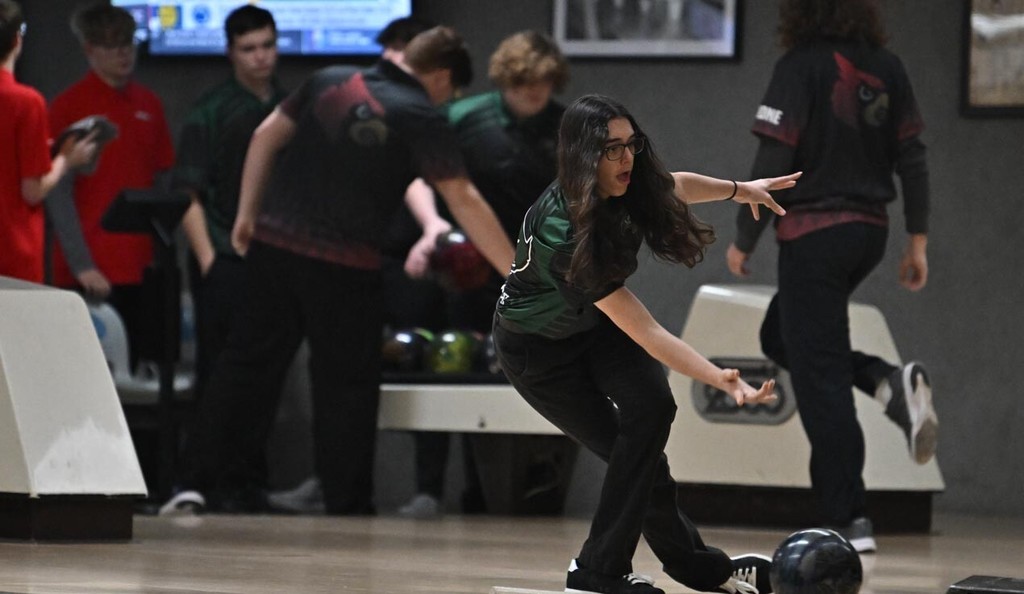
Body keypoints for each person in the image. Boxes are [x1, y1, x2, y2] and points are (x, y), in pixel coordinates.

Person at [160, 26, 515, 516]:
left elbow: (265, 138)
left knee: (242, 369)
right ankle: (346, 502)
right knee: (346, 386)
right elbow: (464, 197)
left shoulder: (329, 79)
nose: (446, 99)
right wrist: (517, 272)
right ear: (441, 76)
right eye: (450, 90)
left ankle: (191, 483)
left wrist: (247, 214)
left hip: (276, 248)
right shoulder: (418, 114)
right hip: (346, 268)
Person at [492, 93, 800, 594]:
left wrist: (743, 189)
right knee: (637, 463)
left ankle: (691, 569)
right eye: (611, 149)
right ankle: (600, 573)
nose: (627, 158)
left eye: (631, 144)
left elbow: (677, 185)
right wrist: (719, 377)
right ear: (582, 155)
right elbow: (646, 331)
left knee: (653, 409)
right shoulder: (562, 231)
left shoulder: (629, 184)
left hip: (591, 330)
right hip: (538, 355)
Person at [724, 0, 938, 554]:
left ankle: (848, 518)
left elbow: (774, 152)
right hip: (867, 232)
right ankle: (885, 382)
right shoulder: (888, 67)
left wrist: (743, 238)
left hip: (815, 234)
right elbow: (911, 156)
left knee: (818, 374)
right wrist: (917, 241)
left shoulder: (800, 65)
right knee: (781, 338)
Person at [395, 29, 571, 519]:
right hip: (465, 270)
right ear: (505, 81)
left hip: (536, 272)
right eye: (524, 83)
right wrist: (431, 230)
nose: (535, 92)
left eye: (544, 82)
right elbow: (419, 173)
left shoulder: (566, 127)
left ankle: (505, 493)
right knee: (449, 365)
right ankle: (428, 488)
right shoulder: (464, 117)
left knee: (522, 375)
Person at [169, 4, 286, 501]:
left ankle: (247, 481)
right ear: (230, 52)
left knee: (265, 377)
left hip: (276, 259)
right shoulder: (211, 111)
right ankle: (202, 480)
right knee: (219, 373)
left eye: (266, 45)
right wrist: (210, 260)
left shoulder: (287, 106)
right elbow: (187, 193)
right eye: (248, 48)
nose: (260, 57)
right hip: (224, 254)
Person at [47, 1, 175, 370]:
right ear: (89, 49)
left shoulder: (150, 104)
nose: (122, 53)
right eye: (111, 45)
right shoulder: (68, 107)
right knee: (85, 377)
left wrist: (161, 256)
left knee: (144, 373)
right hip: (89, 271)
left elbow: (163, 181)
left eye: (128, 43)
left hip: (142, 267)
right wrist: (81, 264)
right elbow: (59, 192)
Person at [0, 0, 96, 283]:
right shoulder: (26, 102)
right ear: (18, 39)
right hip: (14, 254)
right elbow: (32, 189)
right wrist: (66, 159)